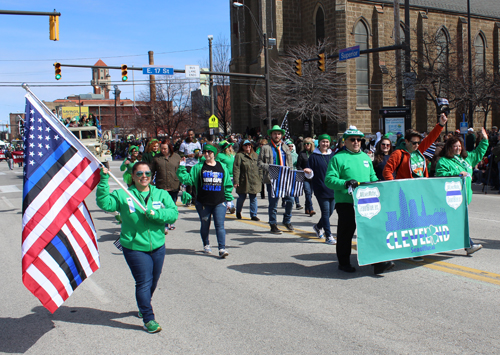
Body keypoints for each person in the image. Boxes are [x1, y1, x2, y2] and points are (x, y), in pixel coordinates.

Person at [96, 162, 178, 333]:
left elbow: (173, 214)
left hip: (158, 246)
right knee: (143, 281)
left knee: (153, 281)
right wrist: (103, 180)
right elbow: (105, 203)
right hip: (134, 247)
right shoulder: (123, 194)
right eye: (139, 173)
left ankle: (143, 304)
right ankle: (149, 318)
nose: (144, 176)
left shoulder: (160, 194)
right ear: (133, 176)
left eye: (147, 173)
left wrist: (157, 214)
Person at [325, 126, 393, 274]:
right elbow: (329, 180)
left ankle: (377, 263)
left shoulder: (364, 157)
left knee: (371, 231)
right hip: (346, 202)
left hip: (366, 202)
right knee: (346, 234)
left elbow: (372, 177)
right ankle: (343, 262)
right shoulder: (338, 158)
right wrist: (345, 183)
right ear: (345, 141)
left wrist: (380, 185)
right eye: (353, 139)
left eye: (359, 140)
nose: (356, 142)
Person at [435, 127, 489, 255]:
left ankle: (445, 241)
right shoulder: (444, 161)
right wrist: (457, 173)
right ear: (449, 147)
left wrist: (485, 140)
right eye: (455, 146)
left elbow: (478, 153)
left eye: (459, 146)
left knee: (452, 221)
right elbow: (440, 174)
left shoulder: (466, 159)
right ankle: (468, 245)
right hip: (450, 198)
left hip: (464, 197)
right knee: (458, 221)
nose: (458, 148)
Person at [177, 143, 234, 258]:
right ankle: (206, 244)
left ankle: (222, 248)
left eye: (209, 152)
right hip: (203, 202)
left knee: (220, 225)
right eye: (205, 152)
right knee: (205, 225)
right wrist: (182, 167)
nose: (207, 154)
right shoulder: (198, 167)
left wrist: (229, 200)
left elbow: (227, 184)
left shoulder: (222, 166)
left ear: (214, 153)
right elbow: (188, 180)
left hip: (219, 202)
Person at [383, 113, 447, 181]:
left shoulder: (418, 150)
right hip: (406, 188)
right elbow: (387, 171)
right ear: (406, 141)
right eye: (414, 143)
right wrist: (396, 185)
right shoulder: (398, 154)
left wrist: (441, 125)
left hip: (421, 186)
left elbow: (430, 138)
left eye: (418, 142)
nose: (417, 145)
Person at [258, 125, 294, 234]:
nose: (277, 135)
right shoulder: (265, 148)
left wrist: (290, 173)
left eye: (279, 134)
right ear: (271, 135)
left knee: (291, 200)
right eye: (275, 133)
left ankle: (287, 220)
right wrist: (270, 168)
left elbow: (290, 163)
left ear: (281, 135)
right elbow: (259, 163)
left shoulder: (285, 147)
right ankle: (273, 224)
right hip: (272, 179)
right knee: (273, 204)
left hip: (285, 178)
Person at [304, 134, 336, 245]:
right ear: (319, 143)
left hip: (333, 188)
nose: (325, 144)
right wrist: (308, 172)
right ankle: (329, 236)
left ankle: (318, 227)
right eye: (323, 142)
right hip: (321, 188)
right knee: (326, 212)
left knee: (331, 211)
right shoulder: (313, 156)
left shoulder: (333, 155)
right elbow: (310, 173)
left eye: (327, 142)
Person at [151, 139, 182, 231]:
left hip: (174, 184)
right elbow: (152, 170)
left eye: (165, 149)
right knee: (162, 205)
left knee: (172, 204)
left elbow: (180, 170)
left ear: (170, 148)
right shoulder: (156, 158)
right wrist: (150, 181)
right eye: (162, 148)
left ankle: (171, 221)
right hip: (161, 185)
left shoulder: (176, 157)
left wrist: (183, 180)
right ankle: (164, 223)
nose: (163, 150)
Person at [233, 139, 261, 221]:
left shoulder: (255, 155)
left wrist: (261, 178)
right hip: (243, 180)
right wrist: (236, 181)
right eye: (245, 145)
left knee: (253, 197)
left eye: (249, 145)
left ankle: (253, 215)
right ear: (242, 146)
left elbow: (260, 168)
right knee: (242, 197)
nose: (248, 147)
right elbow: (236, 169)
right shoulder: (239, 156)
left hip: (254, 180)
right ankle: (238, 211)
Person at [178, 129, 202, 206]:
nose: (190, 136)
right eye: (189, 135)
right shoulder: (183, 144)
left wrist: (198, 155)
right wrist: (188, 156)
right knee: (189, 183)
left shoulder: (197, 143)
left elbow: (200, 153)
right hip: (187, 164)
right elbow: (180, 155)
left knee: (195, 182)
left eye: (191, 135)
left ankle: (194, 199)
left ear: (194, 135)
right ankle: (188, 199)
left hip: (195, 164)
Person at [297, 137, 316, 216]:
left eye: (308, 144)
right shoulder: (301, 154)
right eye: (305, 144)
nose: (306, 145)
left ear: (311, 144)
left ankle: (306, 208)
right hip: (305, 177)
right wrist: (304, 170)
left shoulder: (315, 153)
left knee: (310, 194)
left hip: (313, 177)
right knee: (307, 192)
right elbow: (298, 166)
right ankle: (311, 209)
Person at [216, 140, 236, 214]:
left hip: (233, 176)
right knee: (226, 192)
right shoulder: (220, 156)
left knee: (228, 191)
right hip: (224, 176)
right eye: (229, 146)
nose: (231, 147)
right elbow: (217, 166)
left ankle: (227, 205)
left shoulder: (232, 155)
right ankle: (230, 206)